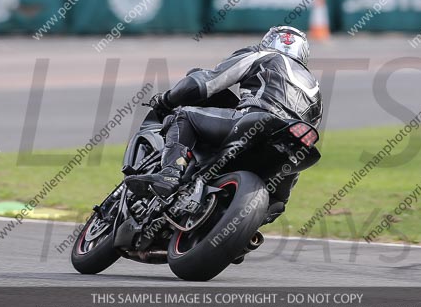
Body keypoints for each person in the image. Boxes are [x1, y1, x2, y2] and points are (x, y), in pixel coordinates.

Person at [125, 25, 322, 222]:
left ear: (270, 41)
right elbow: (303, 141)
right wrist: (279, 197)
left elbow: (205, 83)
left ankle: (170, 174)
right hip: (288, 150)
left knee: (184, 116)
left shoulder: (263, 55)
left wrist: (166, 99)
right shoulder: (316, 90)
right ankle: (246, 228)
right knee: (274, 202)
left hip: (256, 119)